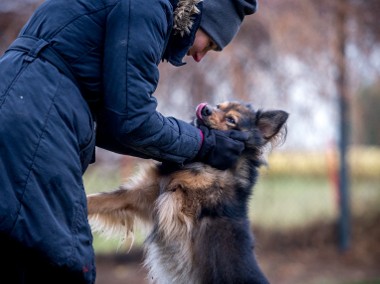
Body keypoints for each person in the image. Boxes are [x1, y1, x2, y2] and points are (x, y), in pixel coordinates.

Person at [0, 0, 257, 282]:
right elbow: (132, 120)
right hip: (35, 121)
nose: (199, 57)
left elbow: (115, 123)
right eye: (209, 45)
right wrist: (202, 144)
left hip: (24, 110)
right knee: (58, 264)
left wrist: (193, 143)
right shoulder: (147, 6)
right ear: (201, 13)